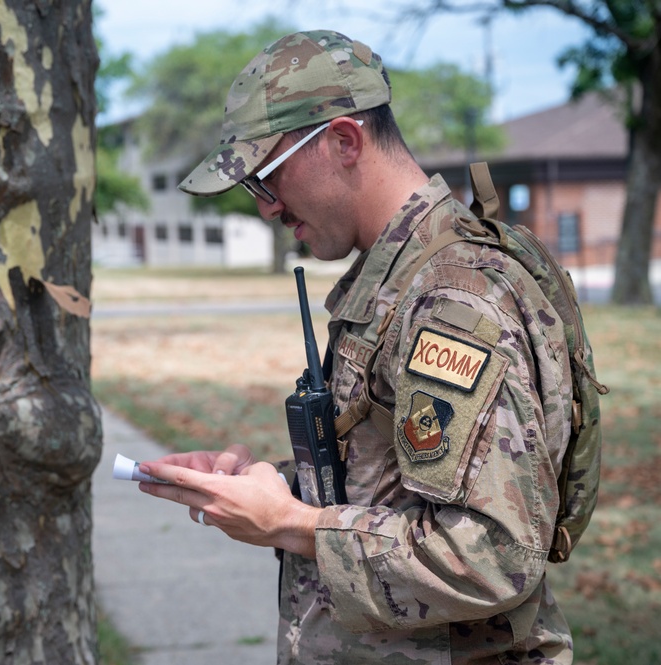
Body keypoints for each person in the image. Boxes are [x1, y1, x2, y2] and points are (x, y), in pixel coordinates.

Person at [135, 30, 576, 664]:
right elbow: (398, 484)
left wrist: (291, 524)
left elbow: (492, 555)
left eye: (266, 178)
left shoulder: (450, 301)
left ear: (344, 141)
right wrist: (275, 488)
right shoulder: (402, 278)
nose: (266, 209)